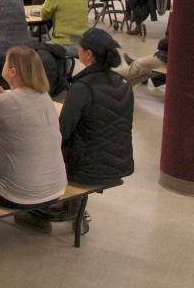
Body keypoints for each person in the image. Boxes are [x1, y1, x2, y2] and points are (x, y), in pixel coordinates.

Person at [18, 28, 135, 233]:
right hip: (118, 161)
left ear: (88, 54)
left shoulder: (83, 87)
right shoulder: (124, 84)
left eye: (80, 48)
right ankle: (75, 209)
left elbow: (63, 131)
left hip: (85, 168)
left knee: (34, 149)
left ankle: (37, 209)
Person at [0, 47, 67, 210]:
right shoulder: (45, 97)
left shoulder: (1, 102)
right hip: (56, 188)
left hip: (16, 195)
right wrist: (3, 93)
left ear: (12, 71)